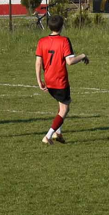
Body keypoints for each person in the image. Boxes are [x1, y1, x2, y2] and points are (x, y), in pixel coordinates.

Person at [35, 15, 89, 145]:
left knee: (61, 106)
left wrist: (39, 80)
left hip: (48, 79)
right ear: (62, 26)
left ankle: (58, 134)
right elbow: (70, 61)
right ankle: (48, 136)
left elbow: (38, 62)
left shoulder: (42, 41)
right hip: (60, 80)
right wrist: (82, 56)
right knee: (65, 109)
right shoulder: (64, 41)